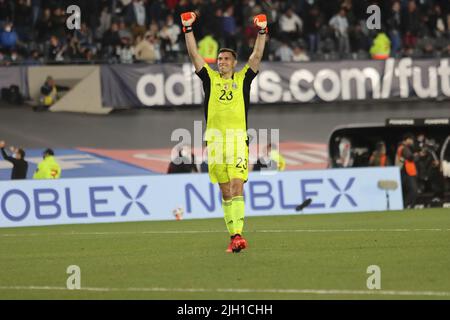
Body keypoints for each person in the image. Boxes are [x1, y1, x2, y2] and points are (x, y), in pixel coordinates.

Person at [181, 11, 267, 253]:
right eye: (219, 59)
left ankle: (239, 234)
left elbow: (257, 55)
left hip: (238, 140)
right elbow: (194, 55)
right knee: (225, 190)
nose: (221, 62)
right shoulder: (209, 79)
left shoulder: (243, 79)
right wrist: (187, 29)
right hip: (215, 142)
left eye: (226, 59)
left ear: (234, 63)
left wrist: (262, 31)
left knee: (237, 185)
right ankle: (233, 236)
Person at [395, 133, 418, 208]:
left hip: (405, 171)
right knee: (413, 190)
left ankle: (407, 205)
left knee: (406, 190)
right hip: (407, 171)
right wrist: (418, 155)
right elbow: (410, 157)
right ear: (407, 139)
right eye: (411, 139)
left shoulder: (401, 147)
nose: (412, 141)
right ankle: (405, 205)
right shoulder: (403, 148)